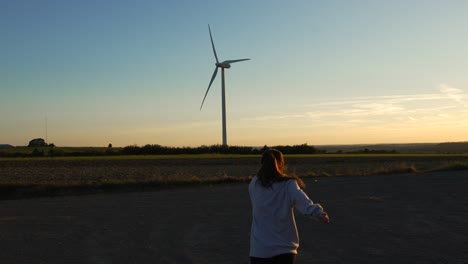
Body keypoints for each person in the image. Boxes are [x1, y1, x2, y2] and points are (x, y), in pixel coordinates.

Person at [249, 148, 330, 264]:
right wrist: (320, 214)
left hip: (259, 250)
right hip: (284, 249)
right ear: (281, 164)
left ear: (262, 164)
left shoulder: (254, 184)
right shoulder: (288, 184)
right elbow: (304, 203)